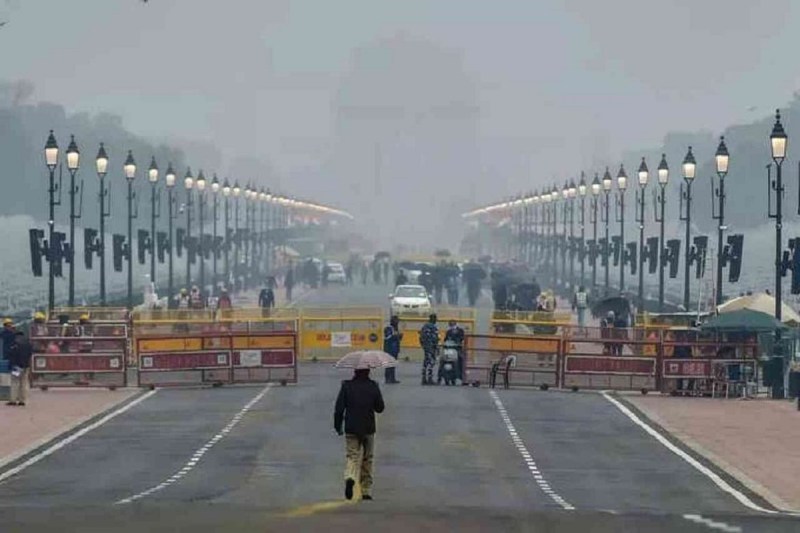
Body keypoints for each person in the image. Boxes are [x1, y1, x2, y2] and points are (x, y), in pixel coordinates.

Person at [334, 367, 385, 501]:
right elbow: (380, 408)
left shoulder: (346, 386)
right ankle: (366, 490)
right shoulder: (373, 386)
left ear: (355, 372)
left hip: (351, 427)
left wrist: (338, 426)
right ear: (368, 372)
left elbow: (339, 409)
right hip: (368, 427)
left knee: (352, 455)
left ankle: (350, 476)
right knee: (368, 458)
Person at [7, 331, 32, 406]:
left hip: (16, 366)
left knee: (15, 382)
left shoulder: (15, 344)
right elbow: (30, 354)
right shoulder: (28, 344)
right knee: (24, 383)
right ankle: (23, 400)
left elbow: (11, 354)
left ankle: (13, 400)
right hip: (25, 366)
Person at [443, 319, 466, 385]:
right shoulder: (448, 331)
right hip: (449, 349)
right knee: (443, 360)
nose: (451, 325)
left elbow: (462, 338)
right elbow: (445, 339)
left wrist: (458, 343)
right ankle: (440, 376)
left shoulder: (460, 330)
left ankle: (462, 377)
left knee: (461, 361)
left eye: (452, 324)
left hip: (457, 349)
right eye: (450, 324)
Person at [418, 313, 439, 385]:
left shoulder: (425, 326)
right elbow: (435, 338)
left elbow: (421, 338)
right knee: (431, 362)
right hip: (431, 347)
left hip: (426, 347)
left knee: (426, 362)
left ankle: (424, 378)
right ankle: (429, 378)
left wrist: (423, 345)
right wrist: (436, 346)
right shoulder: (433, 327)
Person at [383, 316, 402, 384]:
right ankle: (387, 379)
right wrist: (397, 336)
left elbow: (397, 339)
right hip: (389, 349)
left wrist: (399, 337)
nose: (397, 322)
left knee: (393, 364)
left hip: (395, 349)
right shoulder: (388, 328)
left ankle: (393, 378)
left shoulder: (395, 329)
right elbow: (388, 337)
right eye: (396, 321)